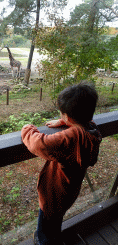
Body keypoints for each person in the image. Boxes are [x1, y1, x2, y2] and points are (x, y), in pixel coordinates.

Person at [21, 81, 102, 245]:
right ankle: (54, 237)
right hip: (70, 189)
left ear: (68, 116)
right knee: (56, 221)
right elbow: (81, 125)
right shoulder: (92, 129)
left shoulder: (71, 138)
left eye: (62, 114)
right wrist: (65, 122)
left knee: (45, 228)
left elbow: (40, 144)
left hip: (54, 193)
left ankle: (44, 241)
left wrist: (28, 129)